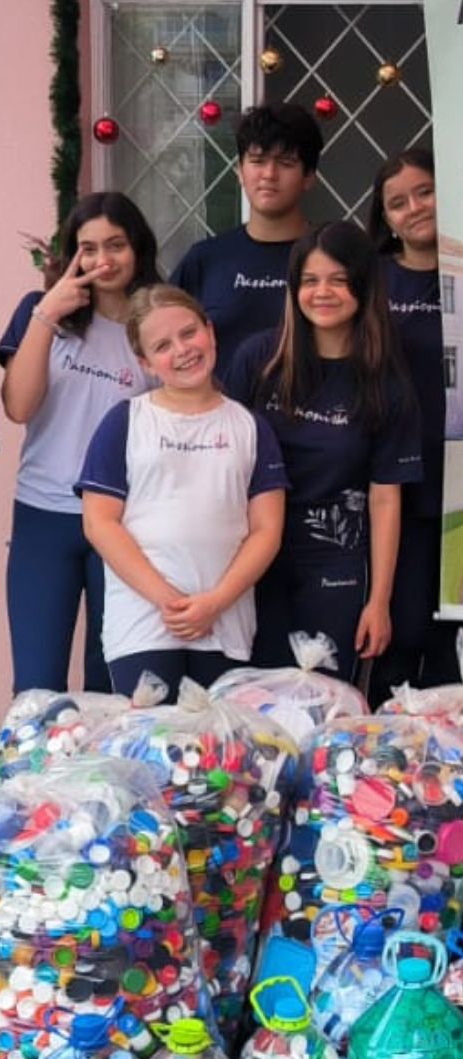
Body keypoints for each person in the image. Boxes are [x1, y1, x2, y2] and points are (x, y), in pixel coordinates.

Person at [225, 221, 422, 682]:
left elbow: (386, 497)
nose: (322, 292)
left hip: (336, 568)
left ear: (363, 285)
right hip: (251, 559)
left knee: (329, 707)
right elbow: (219, 460)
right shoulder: (259, 359)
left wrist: (379, 602)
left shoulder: (385, 383)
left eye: (338, 279)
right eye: (310, 281)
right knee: (251, 707)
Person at [76, 285, 286, 699]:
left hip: (224, 624)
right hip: (144, 623)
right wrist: (168, 601)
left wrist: (216, 602)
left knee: (214, 757)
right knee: (148, 755)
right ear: (146, 363)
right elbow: (100, 523)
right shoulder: (125, 422)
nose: (183, 349)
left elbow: (266, 530)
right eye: (163, 345)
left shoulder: (250, 427)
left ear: (210, 331)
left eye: (189, 333)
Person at [0, 192, 160, 694]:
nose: (102, 260)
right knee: (37, 683)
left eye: (116, 245)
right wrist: (47, 315)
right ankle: (35, 775)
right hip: (44, 516)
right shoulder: (40, 313)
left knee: (112, 679)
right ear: (72, 254)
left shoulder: (154, 327)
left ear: (138, 250)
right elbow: (18, 408)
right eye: (88, 248)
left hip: (124, 521)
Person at [366, 148, 459, 699]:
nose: (414, 208)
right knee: (400, 632)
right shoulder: (372, 281)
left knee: (453, 638)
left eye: (425, 192)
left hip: (460, 493)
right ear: (385, 218)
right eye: (397, 203)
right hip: (394, 488)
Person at [171, 102, 323, 378]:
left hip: (311, 417)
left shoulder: (331, 258)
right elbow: (160, 340)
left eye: (286, 163)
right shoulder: (205, 259)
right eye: (257, 161)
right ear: (240, 171)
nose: (269, 175)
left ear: (309, 177)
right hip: (220, 417)